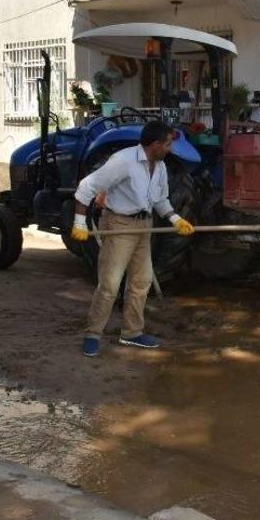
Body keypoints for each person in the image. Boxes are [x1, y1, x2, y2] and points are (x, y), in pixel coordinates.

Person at [70, 120, 195, 357]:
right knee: (110, 284)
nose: (170, 149)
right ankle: (93, 334)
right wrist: (79, 223)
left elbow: (160, 200)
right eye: (167, 144)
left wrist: (175, 219)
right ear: (155, 144)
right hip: (119, 224)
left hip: (144, 225)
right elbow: (86, 188)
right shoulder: (124, 161)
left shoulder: (159, 166)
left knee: (141, 282)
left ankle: (131, 333)